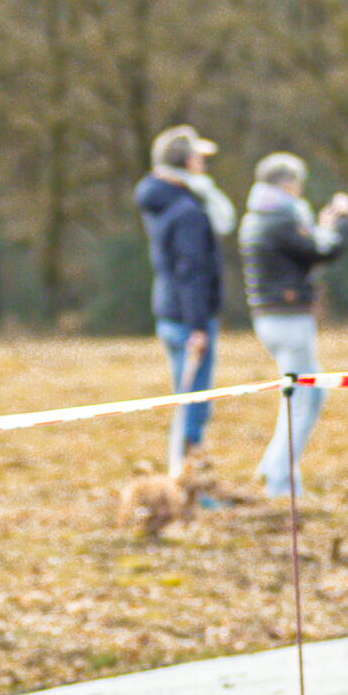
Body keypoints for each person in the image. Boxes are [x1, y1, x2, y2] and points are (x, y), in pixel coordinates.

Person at [242, 153, 348, 501]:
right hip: (289, 319)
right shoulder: (281, 219)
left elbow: (305, 248)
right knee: (303, 398)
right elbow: (323, 250)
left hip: (271, 317)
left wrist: (321, 226)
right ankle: (280, 480)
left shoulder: (259, 216)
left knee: (309, 393)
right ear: (287, 183)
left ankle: (272, 468)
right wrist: (341, 222)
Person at [136, 126, 224, 483]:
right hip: (189, 319)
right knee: (194, 406)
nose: (204, 163)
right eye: (200, 157)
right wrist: (198, 326)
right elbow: (192, 272)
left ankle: (186, 478)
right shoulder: (187, 211)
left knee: (186, 399)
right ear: (188, 161)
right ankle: (189, 484)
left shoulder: (159, 202)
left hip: (169, 312)